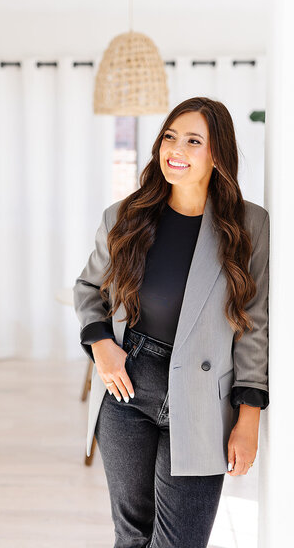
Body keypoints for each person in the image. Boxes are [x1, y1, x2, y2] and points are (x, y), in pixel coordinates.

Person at [73, 96, 270, 548]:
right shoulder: (126, 216)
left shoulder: (249, 225)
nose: (174, 149)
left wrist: (249, 419)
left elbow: (254, 326)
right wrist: (102, 347)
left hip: (204, 398)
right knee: (132, 537)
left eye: (193, 140)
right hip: (128, 385)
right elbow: (88, 290)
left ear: (217, 154)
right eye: (169, 137)